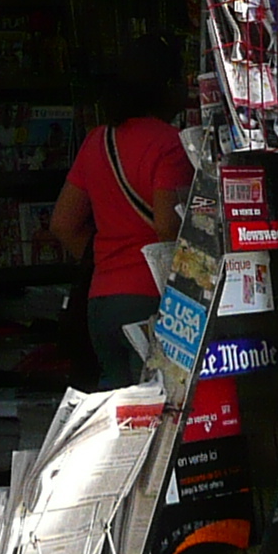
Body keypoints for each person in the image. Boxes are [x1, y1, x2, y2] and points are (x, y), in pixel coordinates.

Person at [48, 41, 193, 388]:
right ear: (167, 87)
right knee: (158, 410)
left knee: (117, 412)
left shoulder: (98, 140)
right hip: (151, 301)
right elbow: (166, 226)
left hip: (102, 304)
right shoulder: (169, 143)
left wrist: (108, 257)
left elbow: (62, 224)